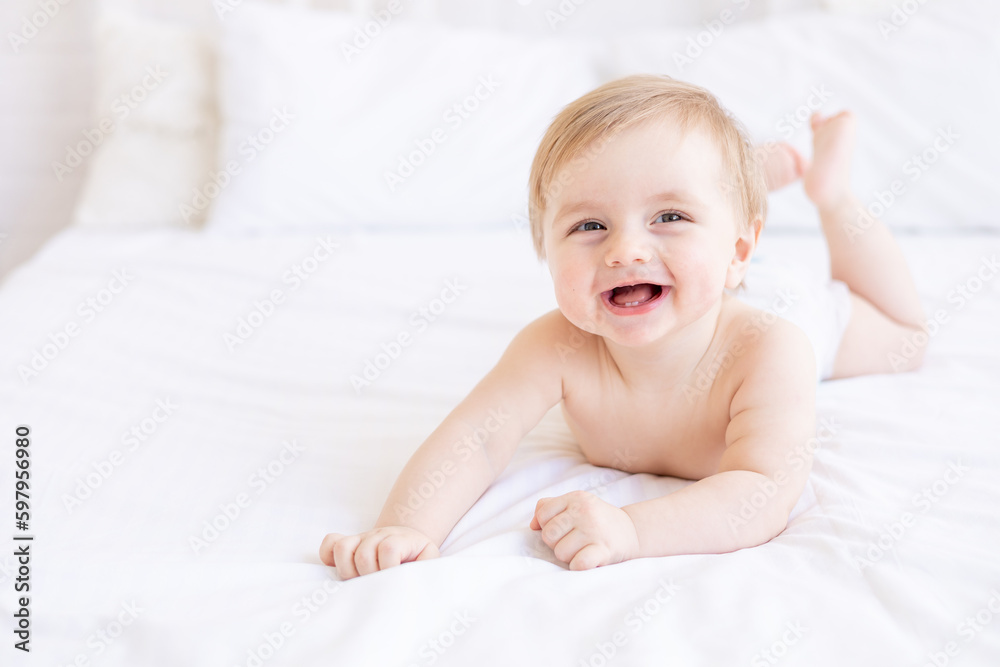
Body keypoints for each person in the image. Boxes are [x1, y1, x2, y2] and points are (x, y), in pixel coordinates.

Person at [319, 74, 926, 579]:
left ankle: (828, 193)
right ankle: (723, 193)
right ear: (544, 252)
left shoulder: (772, 349)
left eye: (667, 215)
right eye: (589, 226)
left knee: (907, 338)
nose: (624, 251)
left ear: (740, 250)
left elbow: (761, 490)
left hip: (772, 297)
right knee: (692, 228)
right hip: (706, 269)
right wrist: (406, 527)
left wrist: (632, 527)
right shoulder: (555, 345)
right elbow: (476, 439)